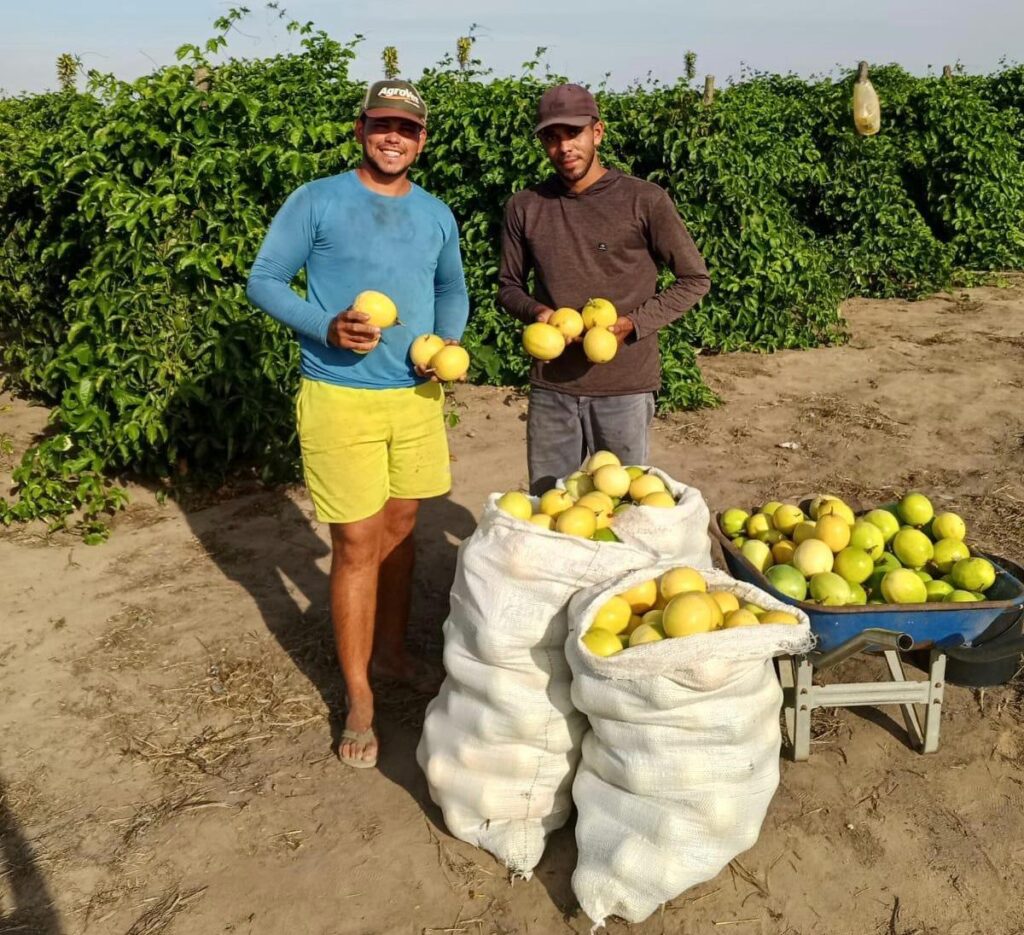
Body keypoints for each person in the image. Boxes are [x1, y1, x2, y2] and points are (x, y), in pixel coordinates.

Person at [246, 79, 470, 770]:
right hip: (340, 396)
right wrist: (325, 325)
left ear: (422, 138)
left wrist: (448, 347)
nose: (393, 137)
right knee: (354, 542)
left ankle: (395, 652)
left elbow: (450, 287)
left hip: (415, 398)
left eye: (406, 127)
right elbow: (265, 280)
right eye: (381, 125)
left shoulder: (436, 214)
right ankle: (360, 695)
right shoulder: (317, 199)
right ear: (360, 129)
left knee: (403, 528)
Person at [498, 83, 711, 493]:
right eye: (551, 137)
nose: (564, 148)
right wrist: (537, 313)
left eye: (573, 133)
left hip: (625, 388)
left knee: (624, 507)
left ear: (597, 132)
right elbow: (508, 285)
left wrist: (634, 323)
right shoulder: (525, 206)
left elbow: (694, 279)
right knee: (550, 503)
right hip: (552, 386)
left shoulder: (644, 200)